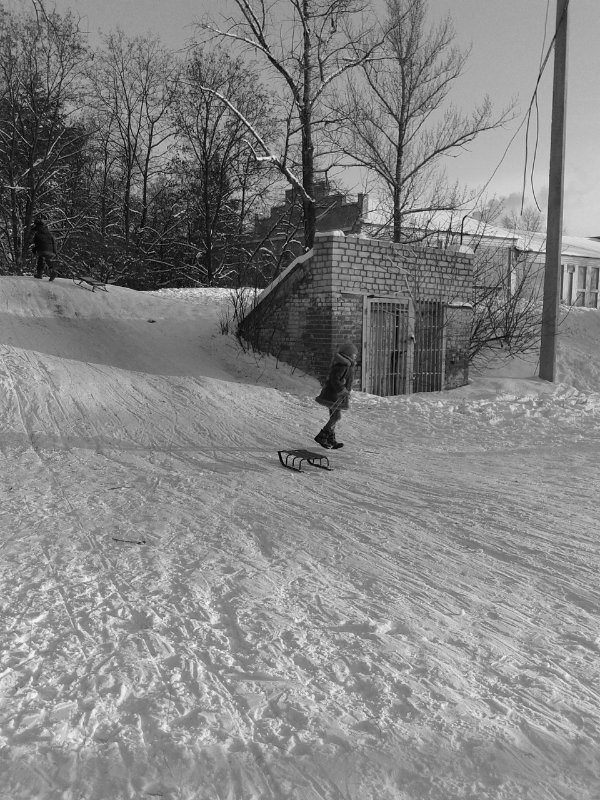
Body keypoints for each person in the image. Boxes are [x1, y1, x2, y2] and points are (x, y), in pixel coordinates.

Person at [314, 341, 358, 449]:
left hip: (335, 395)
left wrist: (350, 383)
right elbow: (335, 379)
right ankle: (322, 435)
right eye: (353, 353)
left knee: (333, 416)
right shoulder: (343, 364)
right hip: (333, 395)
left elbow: (342, 378)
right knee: (337, 416)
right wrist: (342, 389)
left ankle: (331, 439)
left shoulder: (347, 364)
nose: (355, 355)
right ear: (348, 354)